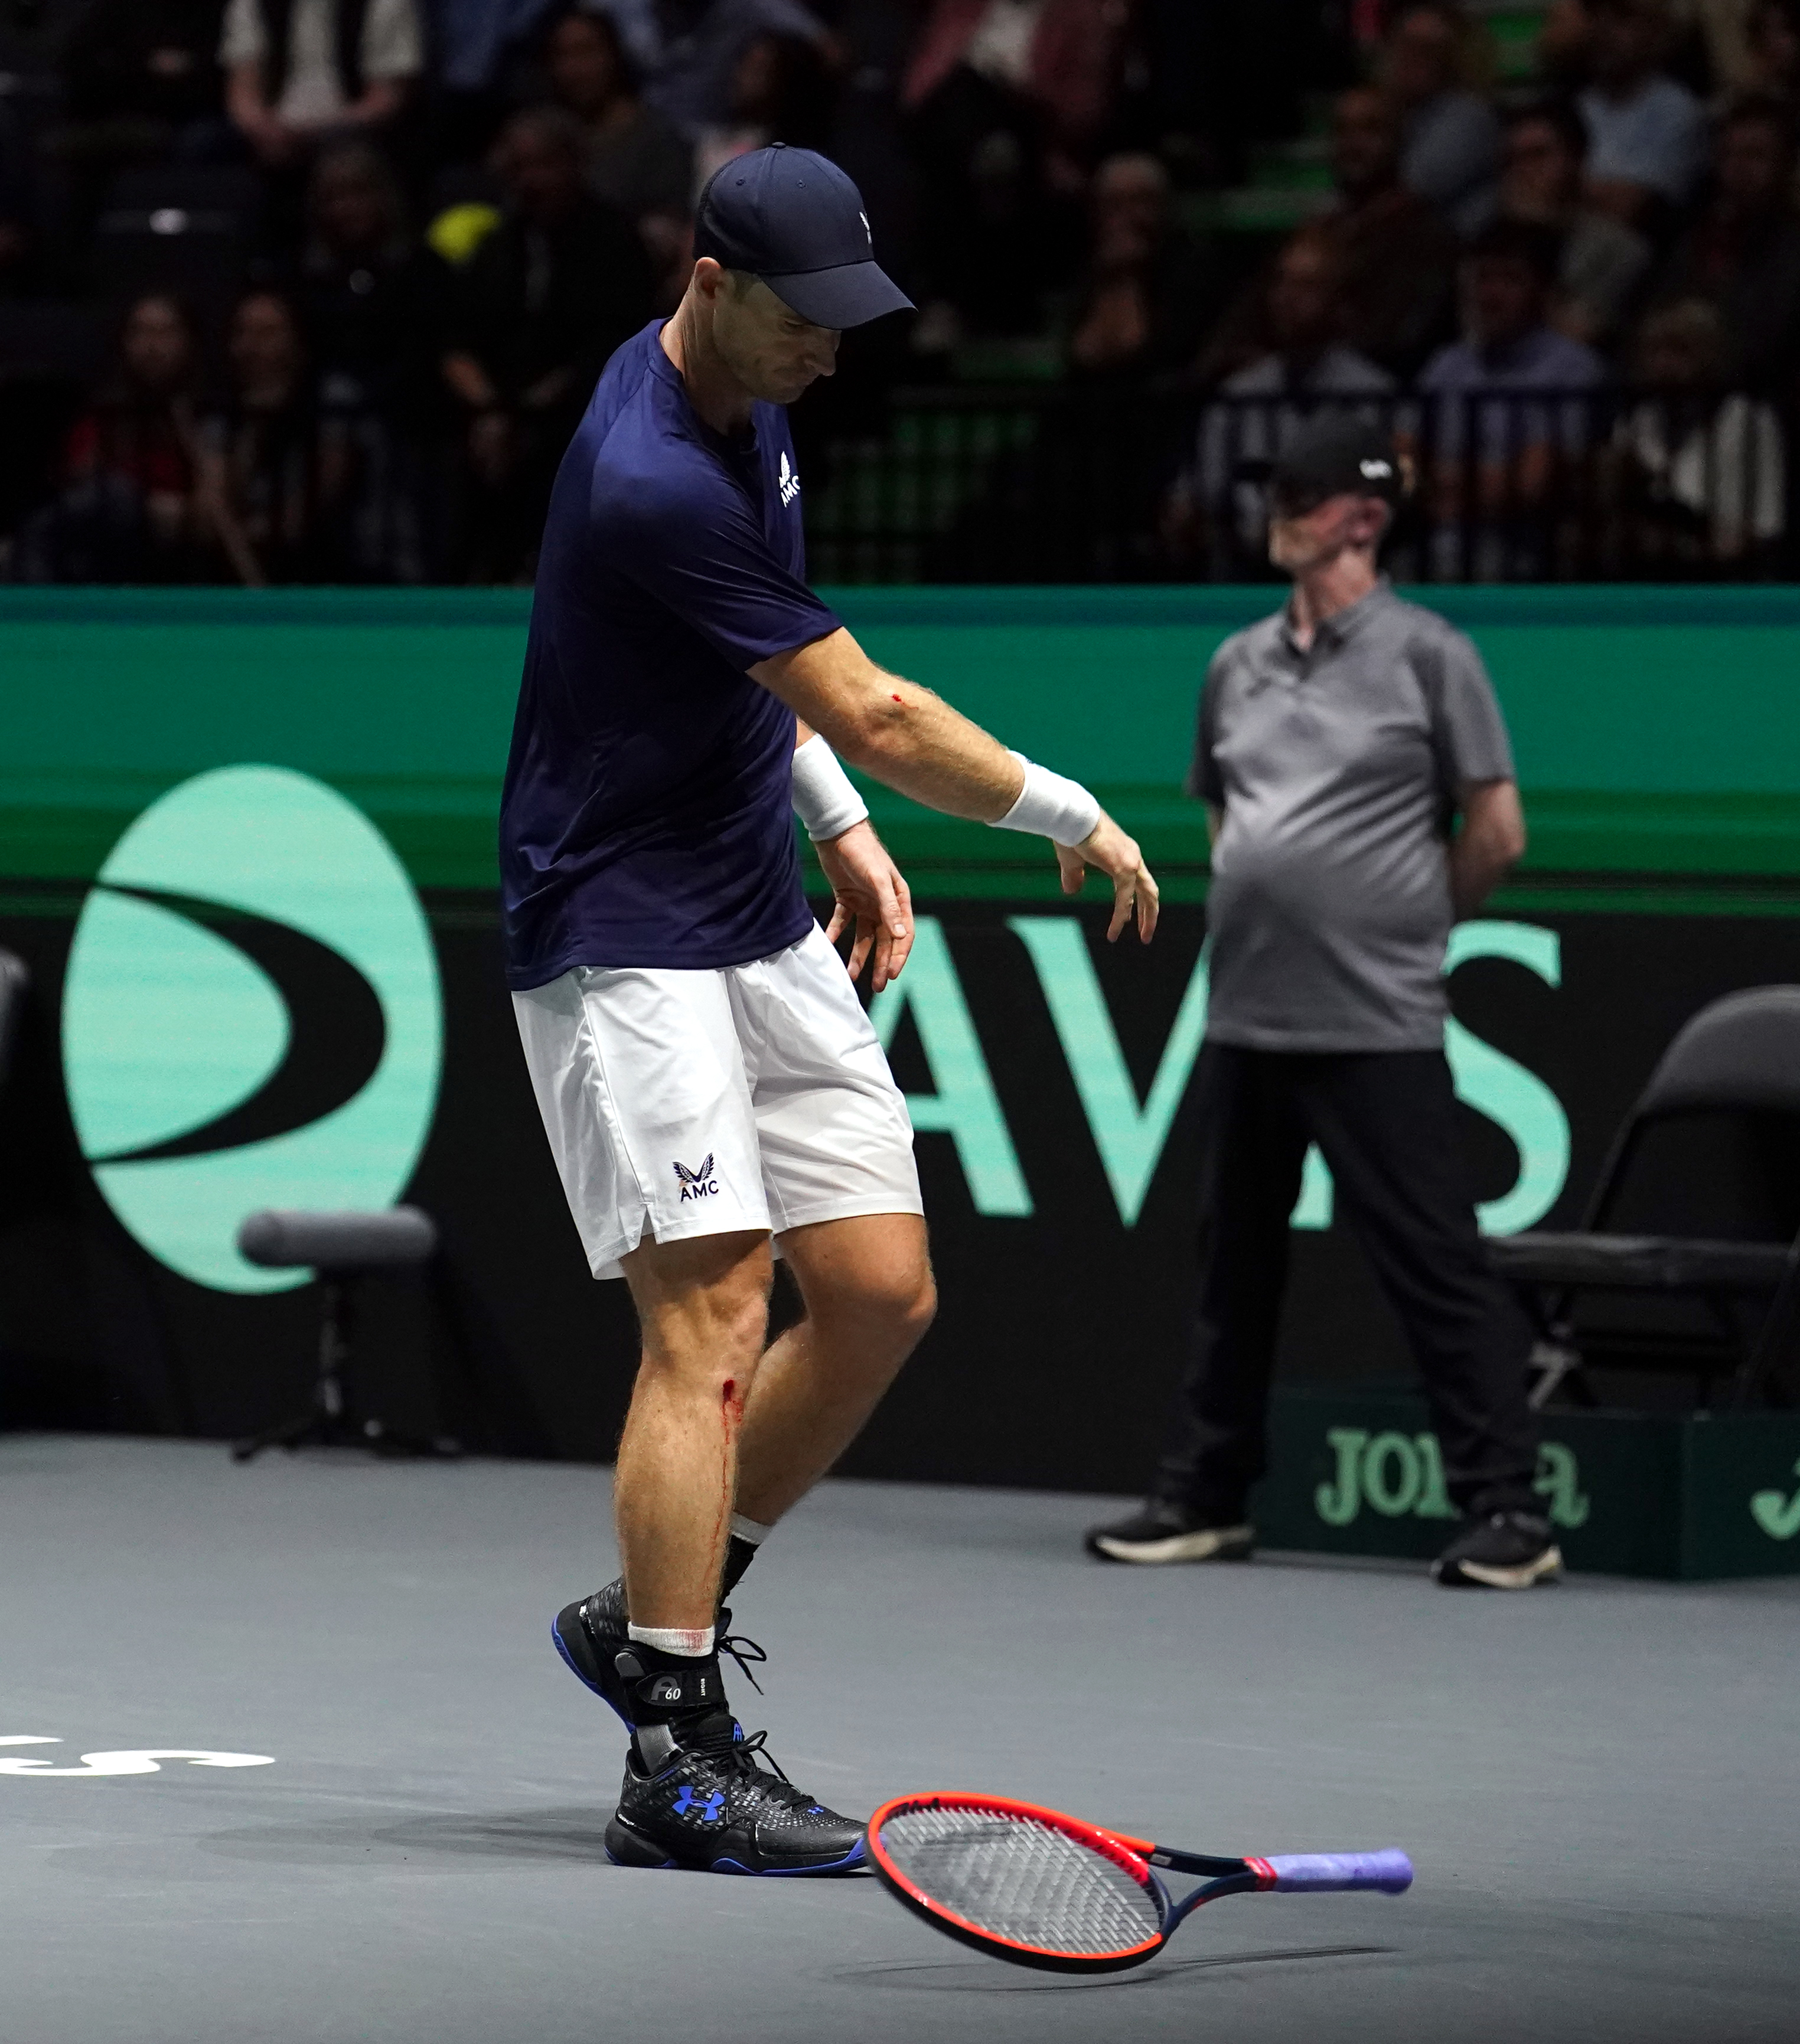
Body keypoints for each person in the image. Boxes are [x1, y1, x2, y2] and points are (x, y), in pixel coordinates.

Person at [501, 143, 1157, 1873]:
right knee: (711, 1316)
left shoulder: (746, 397)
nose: (832, 352)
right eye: (804, 319)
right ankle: (674, 1750)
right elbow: (867, 702)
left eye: (846, 318)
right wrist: (1065, 809)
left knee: (875, 1291)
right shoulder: (646, 472)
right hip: (622, 931)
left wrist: (841, 831)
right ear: (710, 283)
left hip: (751, 906)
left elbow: (761, 682)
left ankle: (653, 1604)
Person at [1085, 415, 1554, 1594]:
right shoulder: (1234, 663)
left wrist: (1408, 923)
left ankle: (1510, 1510)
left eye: (1303, 496)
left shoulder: (1432, 656)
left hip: (1375, 1020)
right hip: (1247, 1013)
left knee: (1435, 1267)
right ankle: (1206, 1497)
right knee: (1232, 1270)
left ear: (1365, 516)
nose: (1278, 513)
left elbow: (1497, 830)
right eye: (1275, 493)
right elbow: (1226, 824)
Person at [441, 105, 654, 579]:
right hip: (498, 416)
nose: (530, 180)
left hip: (585, 414)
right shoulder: (500, 244)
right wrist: (491, 410)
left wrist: (527, 413)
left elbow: (614, 344)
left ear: (575, 163)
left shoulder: (613, 241)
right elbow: (459, 340)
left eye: (543, 164)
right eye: (519, 167)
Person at [1172, 228, 1395, 576]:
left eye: (1307, 286)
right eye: (1282, 284)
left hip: (1344, 572)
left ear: (1338, 301)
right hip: (1248, 574)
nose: (1288, 299)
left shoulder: (1373, 395)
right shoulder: (1238, 396)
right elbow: (1202, 496)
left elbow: (1388, 484)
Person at [1417, 218, 1606, 577]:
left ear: (1542, 291)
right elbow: (1402, 464)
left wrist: (1441, 485)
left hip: (1525, 558)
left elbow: (1531, 485)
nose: (1491, 295)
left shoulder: (1572, 368)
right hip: (1428, 548)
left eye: (1510, 280)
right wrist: (1480, 484)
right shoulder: (1446, 365)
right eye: (1483, 279)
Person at [1610, 296, 1786, 567]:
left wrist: (1703, 541)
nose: (1664, 364)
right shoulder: (1638, 420)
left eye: (1679, 351)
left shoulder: (1748, 419)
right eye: (1655, 351)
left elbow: (1765, 521)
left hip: (1732, 573)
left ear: (1710, 354)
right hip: (1648, 570)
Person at [1313, 85, 1462, 377]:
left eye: (1369, 130)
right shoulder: (1319, 231)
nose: (1352, 144)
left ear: (1399, 140)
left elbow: (1400, 340)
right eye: (1342, 131)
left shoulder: (1428, 236)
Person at [1654, 97, 1800, 392]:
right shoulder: (1692, 240)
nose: (1738, 168)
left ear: (1786, 164)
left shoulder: (1792, 253)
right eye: (1727, 155)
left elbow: (1769, 344)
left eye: (1755, 155)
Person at [1497, 100, 1652, 347]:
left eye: (1538, 155)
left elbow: (1574, 337)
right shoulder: (1483, 239)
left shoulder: (1620, 249)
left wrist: (1534, 237)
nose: (1524, 170)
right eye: (1513, 160)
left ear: (1575, 160)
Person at [220, 0, 424, 168]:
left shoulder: (385, 4)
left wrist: (316, 133)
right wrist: (264, 129)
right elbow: (243, 90)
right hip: (271, 138)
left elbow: (386, 99)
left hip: (353, 136)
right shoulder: (254, 5)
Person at [1577, 0, 1708, 229]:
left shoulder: (1678, 110)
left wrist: (1569, 194)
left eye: (1623, 17)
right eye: (1598, 16)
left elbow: (1631, 207)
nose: (1605, 29)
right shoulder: (1580, 104)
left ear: (1657, 32)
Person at [1383, 0, 1503, 238]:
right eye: (1406, 46)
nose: (1412, 58)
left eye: (1427, 50)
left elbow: (1408, 197)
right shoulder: (1403, 114)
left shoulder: (1468, 116)